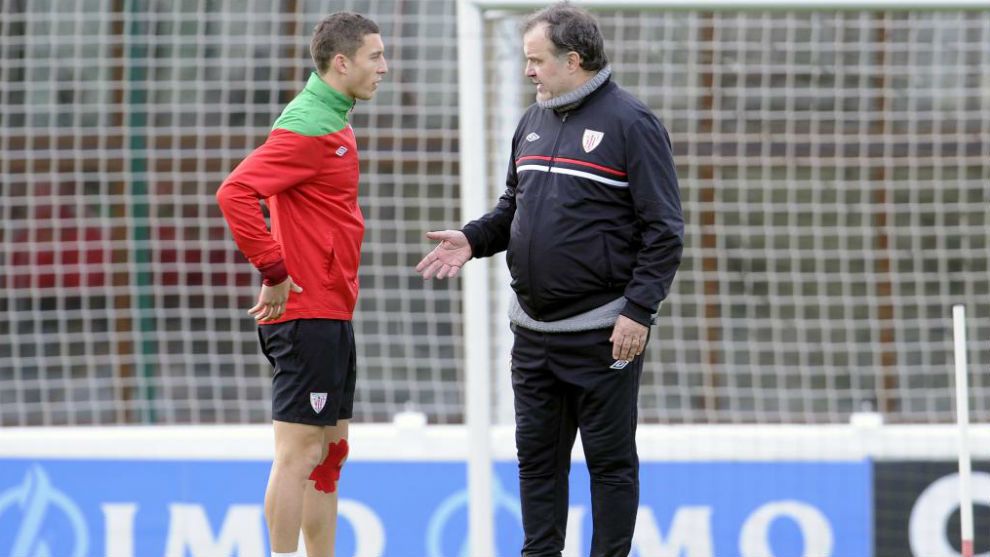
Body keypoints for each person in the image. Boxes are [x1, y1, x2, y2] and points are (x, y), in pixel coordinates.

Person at [416, 2, 683, 556]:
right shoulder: (531, 122)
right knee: (537, 462)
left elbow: (664, 231)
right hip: (533, 335)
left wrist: (638, 311)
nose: (528, 71)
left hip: (604, 334)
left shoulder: (632, 123)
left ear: (574, 60)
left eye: (536, 60)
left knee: (609, 465)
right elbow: (513, 207)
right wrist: (473, 239)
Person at [216, 12, 386, 557]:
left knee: (329, 455)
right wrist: (274, 270)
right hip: (305, 313)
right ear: (342, 62)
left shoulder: (333, 117)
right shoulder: (309, 126)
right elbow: (234, 193)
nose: (384, 67)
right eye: (375, 56)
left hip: (330, 310)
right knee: (298, 454)